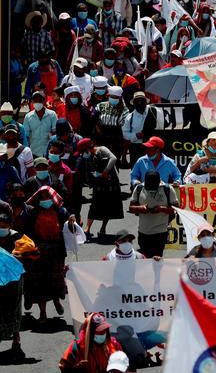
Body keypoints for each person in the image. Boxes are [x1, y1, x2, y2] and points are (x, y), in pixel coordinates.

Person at [23, 186, 69, 322]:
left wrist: (72, 222)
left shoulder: (61, 212)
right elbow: (28, 233)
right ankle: (43, 313)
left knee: (55, 281)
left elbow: (68, 230)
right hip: (38, 253)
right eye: (42, 198)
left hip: (56, 253)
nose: (45, 200)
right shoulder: (33, 214)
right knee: (40, 284)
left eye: (48, 197)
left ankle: (56, 302)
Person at [77, 138, 124, 238]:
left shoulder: (102, 149)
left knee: (108, 207)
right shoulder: (87, 159)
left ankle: (103, 228)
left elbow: (113, 158)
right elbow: (90, 172)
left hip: (111, 183)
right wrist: (97, 176)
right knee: (94, 206)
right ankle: (87, 229)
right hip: (98, 184)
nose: (83, 154)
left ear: (87, 149)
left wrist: (105, 171)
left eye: (83, 151)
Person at [129, 170, 178, 258]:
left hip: (160, 232)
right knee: (144, 259)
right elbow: (131, 208)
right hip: (144, 231)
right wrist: (141, 208)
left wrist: (161, 209)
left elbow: (176, 209)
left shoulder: (167, 189)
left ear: (159, 182)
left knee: (157, 259)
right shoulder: (139, 188)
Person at [0, 206, 27, 362]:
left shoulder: (18, 237)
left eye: (4, 227)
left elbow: (33, 252)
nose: (1, 229)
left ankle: (16, 338)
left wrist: (19, 254)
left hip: (14, 281)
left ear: (9, 226)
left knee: (14, 308)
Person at [122, 91, 158, 165]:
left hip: (151, 147)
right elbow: (125, 134)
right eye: (137, 101)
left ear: (145, 102)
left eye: (142, 101)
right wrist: (136, 135)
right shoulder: (130, 117)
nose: (139, 103)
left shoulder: (153, 112)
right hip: (136, 148)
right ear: (134, 103)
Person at [23, 91, 58, 158]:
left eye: (40, 100)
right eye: (35, 101)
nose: (37, 102)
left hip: (49, 152)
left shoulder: (52, 114)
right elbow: (26, 135)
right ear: (32, 102)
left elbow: (55, 132)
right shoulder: (28, 116)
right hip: (34, 152)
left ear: (44, 101)